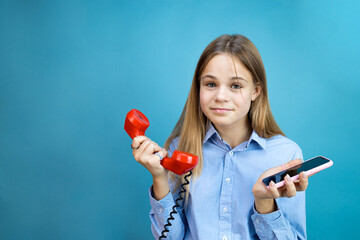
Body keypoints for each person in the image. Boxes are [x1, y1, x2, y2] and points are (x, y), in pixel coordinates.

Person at [131, 34, 308, 240]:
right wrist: (159, 177)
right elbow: (171, 237)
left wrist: (264, 203)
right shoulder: (180, 148)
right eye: (211, 84)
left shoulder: (285, 154)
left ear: (256, 90)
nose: (220, 96)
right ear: (199, 87)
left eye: (235, 86)